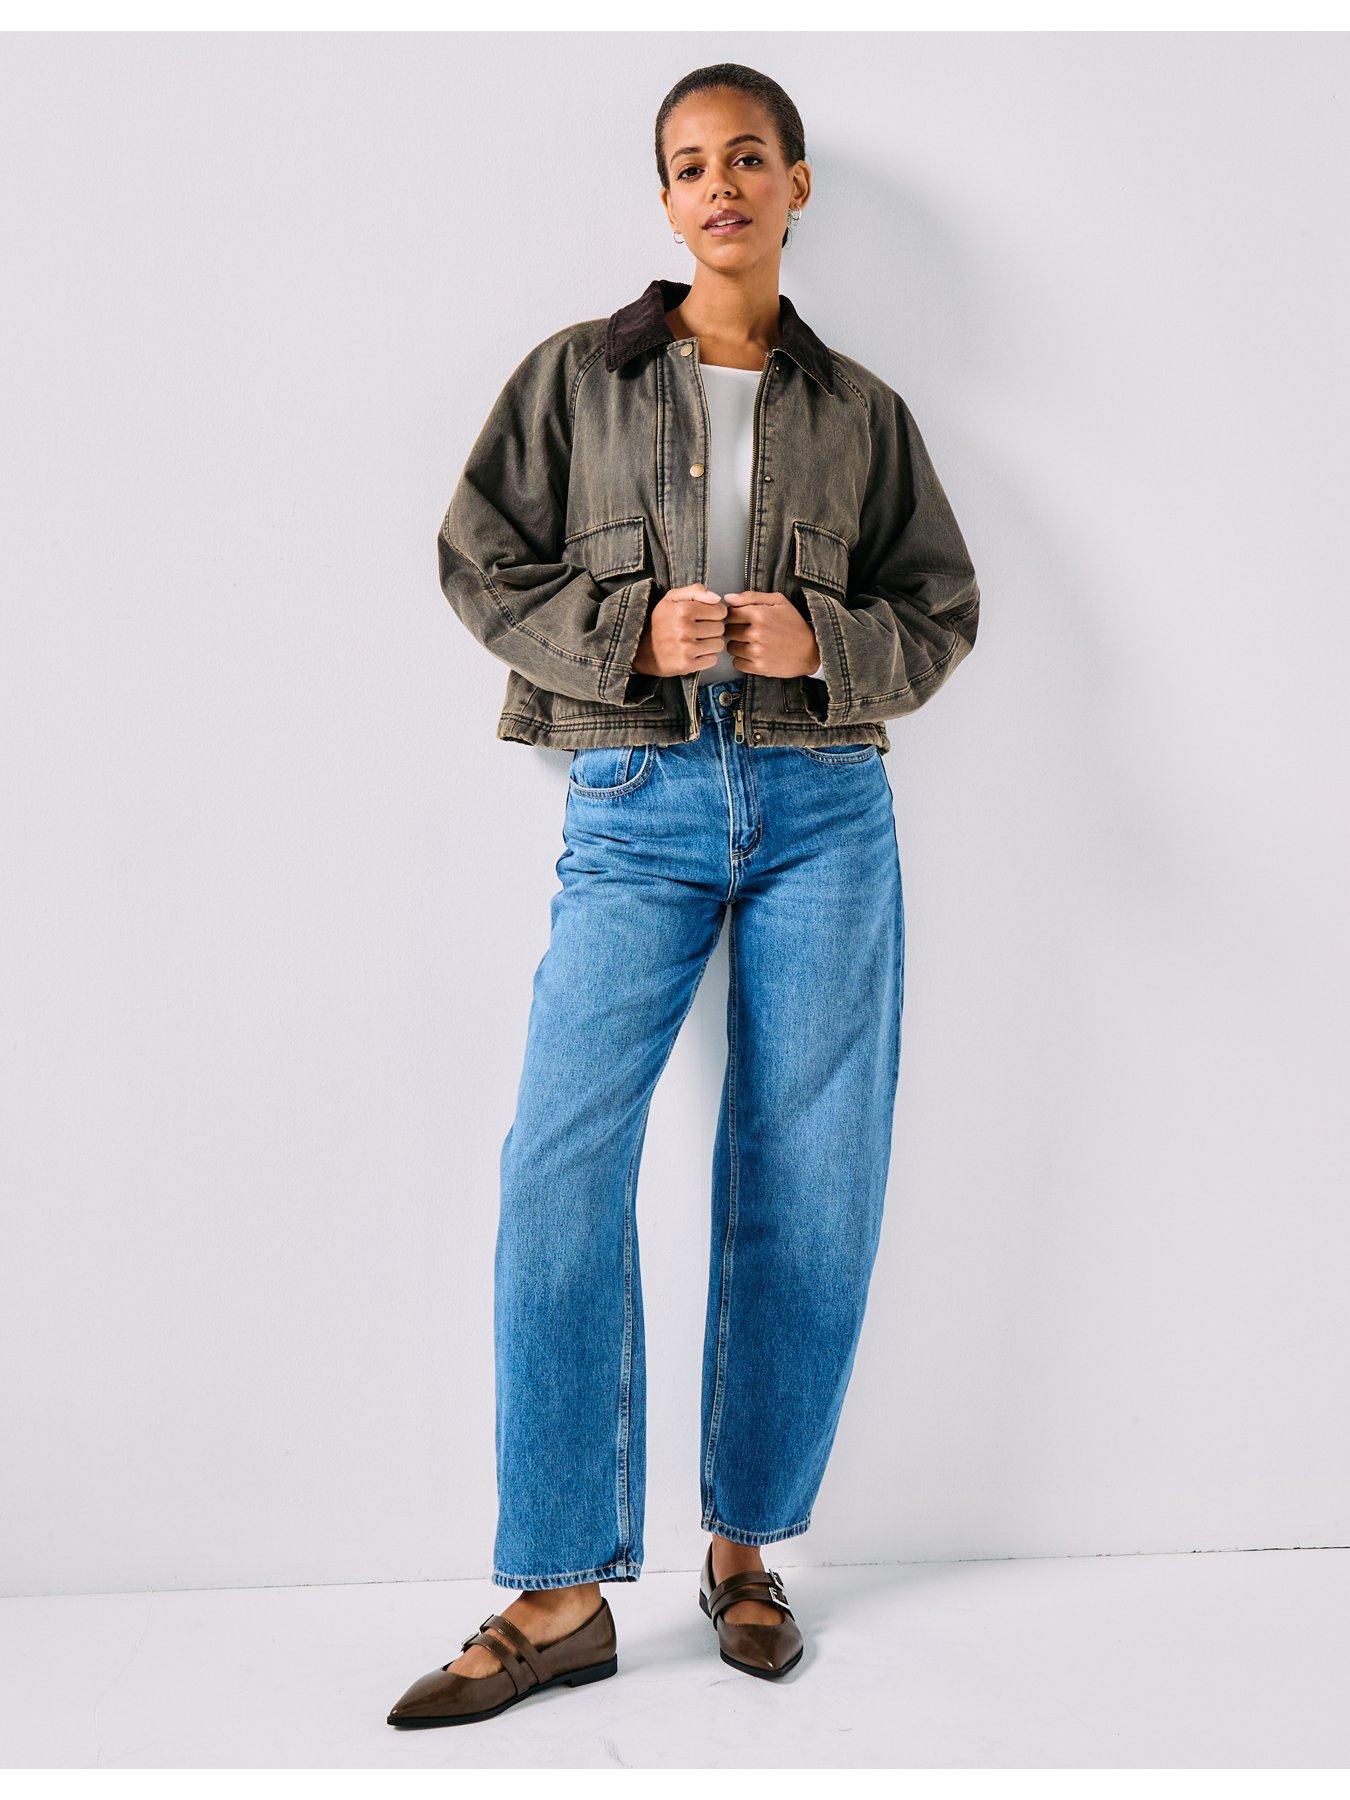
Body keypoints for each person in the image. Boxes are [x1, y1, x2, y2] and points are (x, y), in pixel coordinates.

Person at [388, 60, 980, 1729]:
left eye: (747, 156)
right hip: (634, 799)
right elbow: (476, 558)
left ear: (796, 185)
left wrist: (822, 639)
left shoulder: (862, 411)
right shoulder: (574, 377)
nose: (719, 184)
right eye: (689, 163)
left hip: (822, 806)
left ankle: (744, 1548)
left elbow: (938, 608)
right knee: (557, 1163)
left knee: (809, 1174)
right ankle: (560, 1587)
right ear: (664, 201)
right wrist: (625, 636)